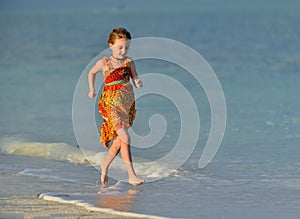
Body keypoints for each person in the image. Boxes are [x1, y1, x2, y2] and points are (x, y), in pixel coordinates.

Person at [88, 27, 144, 186]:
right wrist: (91, 89)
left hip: (126, 104)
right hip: (110, 104)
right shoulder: (104, 63)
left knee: (120, 141)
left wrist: (138, 82)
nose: (123, 51)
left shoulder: (129, 62)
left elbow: (135, 77)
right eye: (120, 47)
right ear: (110, 45)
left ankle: (105, 164)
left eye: (126, 47)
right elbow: (91, 73)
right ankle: (132, 175)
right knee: (125, 137)